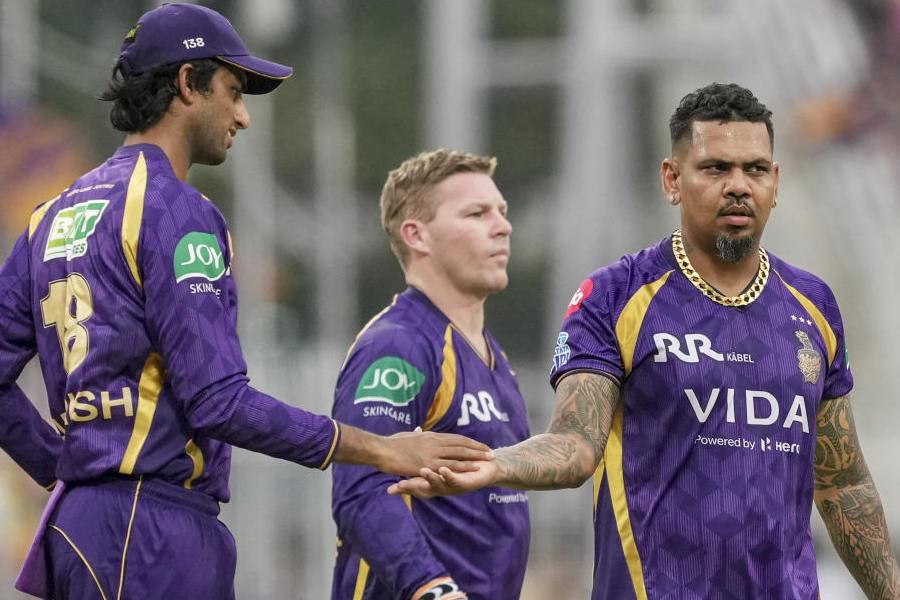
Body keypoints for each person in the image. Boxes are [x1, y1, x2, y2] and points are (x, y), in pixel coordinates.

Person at [0, 5, 490, 599]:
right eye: (233, 91)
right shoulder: (177, 211)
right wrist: (381, 448)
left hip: (81, 530)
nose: (244, 115)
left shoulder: (47, 218)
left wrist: (65, 470)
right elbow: (218, 402)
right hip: (152, 531)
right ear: (186, 83)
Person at [391, 83, 900, 599]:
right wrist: (496, 464)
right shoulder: (613, 295)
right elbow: (575, 444)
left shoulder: (812, 303)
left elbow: (843, 484)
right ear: (672, 179)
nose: (739, 186)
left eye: (755, 169)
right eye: (716, 168)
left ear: (776, 181)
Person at [330, 149, 531, 600]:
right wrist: (431, 588)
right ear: (416, 235)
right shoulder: (398, 345)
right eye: (476, 213)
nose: (502, 226)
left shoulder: (493, 357)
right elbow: (361, 492)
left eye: (501, 211)